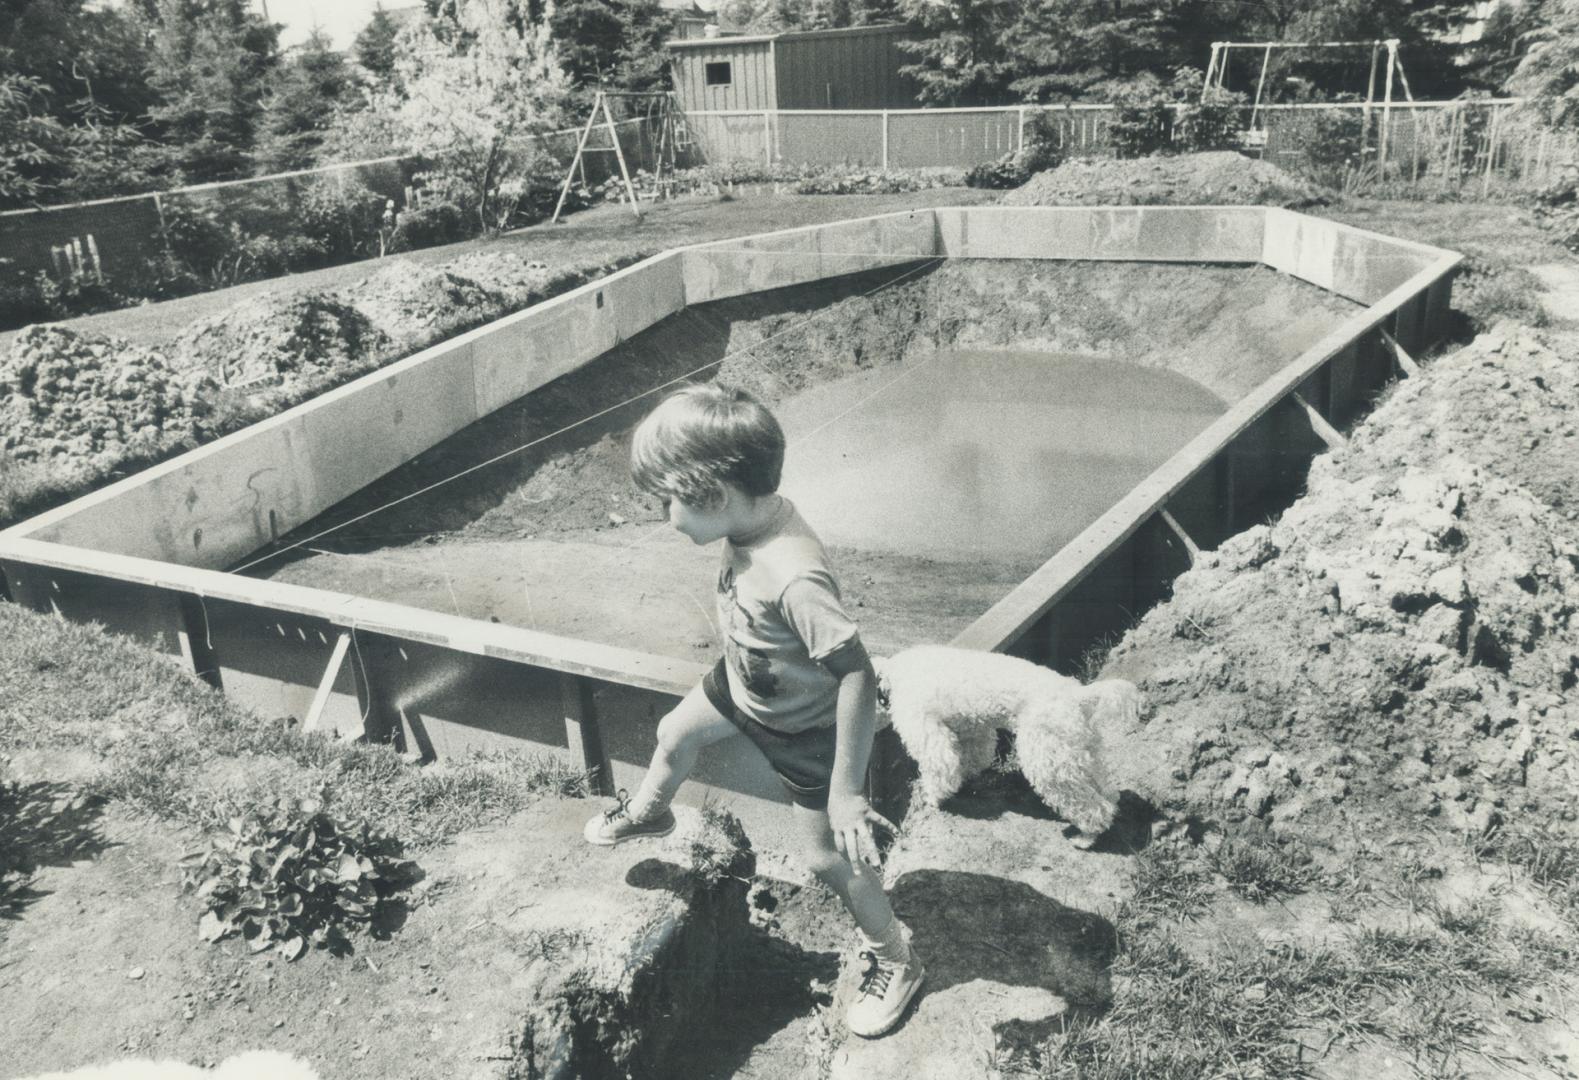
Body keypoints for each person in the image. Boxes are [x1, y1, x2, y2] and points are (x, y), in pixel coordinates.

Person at [582, 382, 925, 1039]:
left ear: (712, 495)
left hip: (806, 729)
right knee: (673, 733)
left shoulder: (794, 575)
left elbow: (856, 674)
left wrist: (847, 793)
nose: (665, 517)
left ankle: (896, 959)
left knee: (828, 860)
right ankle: (649, 813)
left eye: (668, 502)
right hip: (744, 686)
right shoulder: (744, 516)